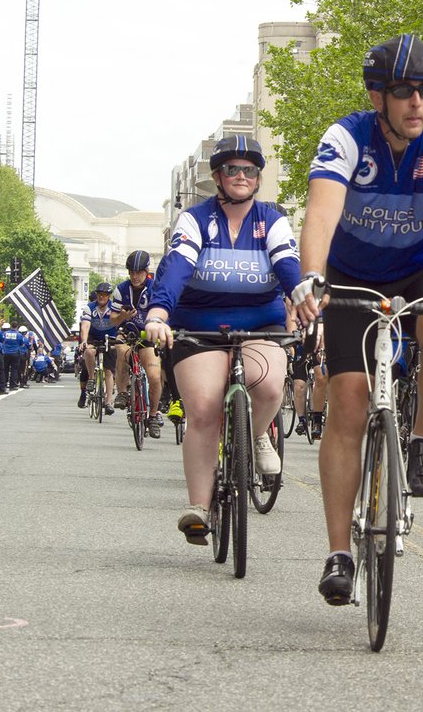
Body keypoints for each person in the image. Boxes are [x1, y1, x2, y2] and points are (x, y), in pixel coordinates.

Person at [292, 34, 423, 606]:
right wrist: (312, 275)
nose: (417, 102)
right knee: (348, 405)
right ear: (377, 95)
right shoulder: (345, 137)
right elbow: (321, 213)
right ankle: (339, 552)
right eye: (404, 91)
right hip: (354, 277)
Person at [144, 135, 300, 546]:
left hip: (260, 324)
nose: (242, 176)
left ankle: (259, 432)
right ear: (217, 176)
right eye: (233, 169)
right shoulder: (195, 220)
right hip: (199, 325)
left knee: (267, 385)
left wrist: (304, 299)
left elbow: (287, 264)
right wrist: (159, 313)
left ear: (258, 178)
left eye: (250, 170)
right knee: (203, 408)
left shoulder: (272, 220)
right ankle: (198, 506)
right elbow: (176, 268)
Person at [112, 251, 164, 438]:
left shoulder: (156, 287)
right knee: (120, 348)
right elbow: (113, 320)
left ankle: (152, 415)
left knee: (154, 375)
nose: (134, 276)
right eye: (131, 272)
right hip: (128, 332)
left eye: (139, 272)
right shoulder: (121, 289)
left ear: (146, 271)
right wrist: (122, 317)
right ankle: (123, 392)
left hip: (148, 335)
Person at [79, 284, 121, 415]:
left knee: (109, 372)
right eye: (99, 295)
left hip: (110, 339)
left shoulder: (114, 307)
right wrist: (84, 341)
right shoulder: (90, 307)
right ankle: (91, 379)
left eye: (105, 295)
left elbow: (120, 323)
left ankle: (108, 402)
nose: (102, 297)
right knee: (89, 351)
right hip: (94, 337)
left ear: (109, 296)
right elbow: (85, 325)